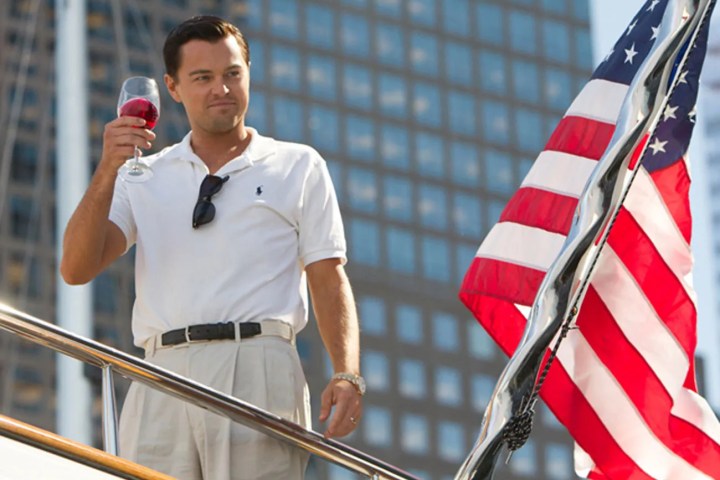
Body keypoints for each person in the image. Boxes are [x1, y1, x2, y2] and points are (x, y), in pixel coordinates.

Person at [60, 15, 364, 480]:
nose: (221, 88)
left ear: (249, 74)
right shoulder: (144, 175)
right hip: (161, 372)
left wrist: (347, 372)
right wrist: (108, 169)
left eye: (232, 74)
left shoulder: (297, 165)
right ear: (173, 88)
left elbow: (327, 275)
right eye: (202, 78)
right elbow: (76, 269)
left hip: (259, 365)